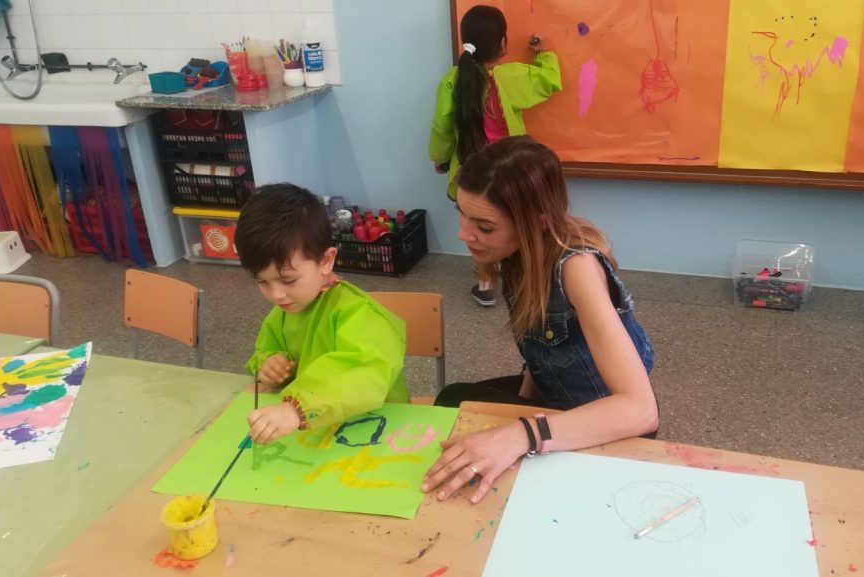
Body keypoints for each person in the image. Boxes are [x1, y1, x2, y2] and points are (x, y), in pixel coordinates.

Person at [421, 136, 658, 504]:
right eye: (461, 214)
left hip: (605, 420)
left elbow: (641, 411)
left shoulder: (577, 268)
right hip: (556, 396)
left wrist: (520, 433)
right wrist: (521, 403)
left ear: (536, 223)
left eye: (485, 226)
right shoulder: (521, 252)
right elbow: (543, 347)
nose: (463, 233)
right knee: (454, 400)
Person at [234, 183, 409, 445]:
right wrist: (269, 364)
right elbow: (267, 347)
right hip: (317, 428)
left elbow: (364, 373)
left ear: (326, 261)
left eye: (288, 280)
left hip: (376, 429)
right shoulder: (286, 310)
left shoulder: (359, 314)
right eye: (262, 281)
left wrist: (297, 408)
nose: (276, 295)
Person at [429, 4, 562, 308]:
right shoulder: (512, 76)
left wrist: (439, 158)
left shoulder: (452, 80)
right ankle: (528, 279)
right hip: (511, 173)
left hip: (472, 174)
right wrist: (544, 52)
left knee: (478, 228)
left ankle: (485, 284)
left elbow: (441, 129)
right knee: (518, 222)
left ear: (465, 41)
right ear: (503, 43)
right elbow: (550, 80)